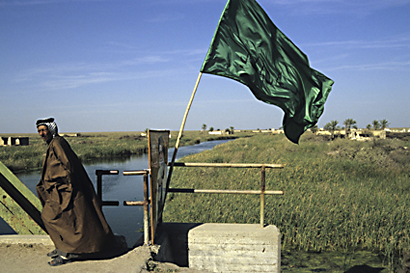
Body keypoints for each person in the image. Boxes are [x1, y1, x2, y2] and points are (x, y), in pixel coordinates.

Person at [35, 117, 124, 266]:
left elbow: (67, 166)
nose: (42, 134)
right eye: (39, 131)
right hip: (61, 190)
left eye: (44, 130)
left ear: (51, 130)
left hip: (65, 191)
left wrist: (59, 183)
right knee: (59, 219)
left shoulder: (57, 143)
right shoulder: (54, 143)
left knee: (51, 218)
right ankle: (61, 248)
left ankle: (65, 254)